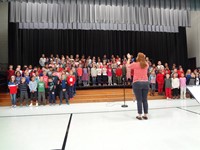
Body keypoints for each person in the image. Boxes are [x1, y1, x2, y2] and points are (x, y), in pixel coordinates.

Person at [126, 52, 149, 120]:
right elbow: (144, 61)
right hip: (145, 83)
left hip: (137, 83)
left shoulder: (135, 64)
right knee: (145, 100)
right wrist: (143, 57)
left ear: (138, 58)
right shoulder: (146, 64)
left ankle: (139, 115)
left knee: (139, 100)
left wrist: (129, 58)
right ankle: (146, 114)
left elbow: (127, 66)